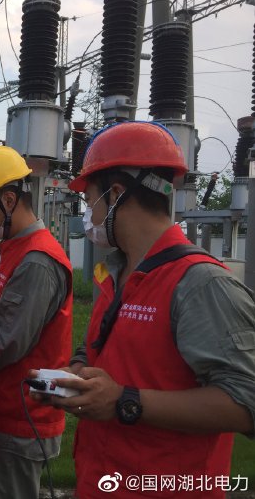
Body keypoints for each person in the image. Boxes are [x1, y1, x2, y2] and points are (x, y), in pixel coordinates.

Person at [46, 121, 255, 498]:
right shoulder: (118, 272)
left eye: (89, 200)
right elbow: (102, 348)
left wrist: (125, 401)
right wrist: (74, 374)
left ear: (115, 194)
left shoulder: (200, 283)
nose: (88, 214)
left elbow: (245, 402)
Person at [0, 145, 73, 499]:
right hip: (6, 414)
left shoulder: (36, 262)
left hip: (19, 423)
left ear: (8, 200)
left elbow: (5, 343)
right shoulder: (16, 252)